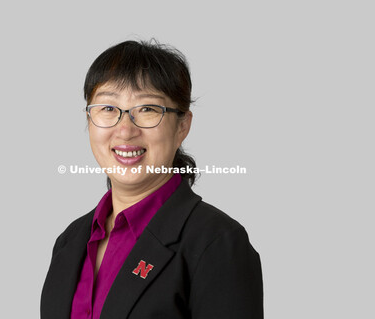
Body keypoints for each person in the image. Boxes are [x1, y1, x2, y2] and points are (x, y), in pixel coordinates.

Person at [41, 39, 263, 319]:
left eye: (147, 109)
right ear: (89, 119)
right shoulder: (71, 240)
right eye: (108, 108)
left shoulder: (217, 243)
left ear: (183, 125)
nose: (125, 130)